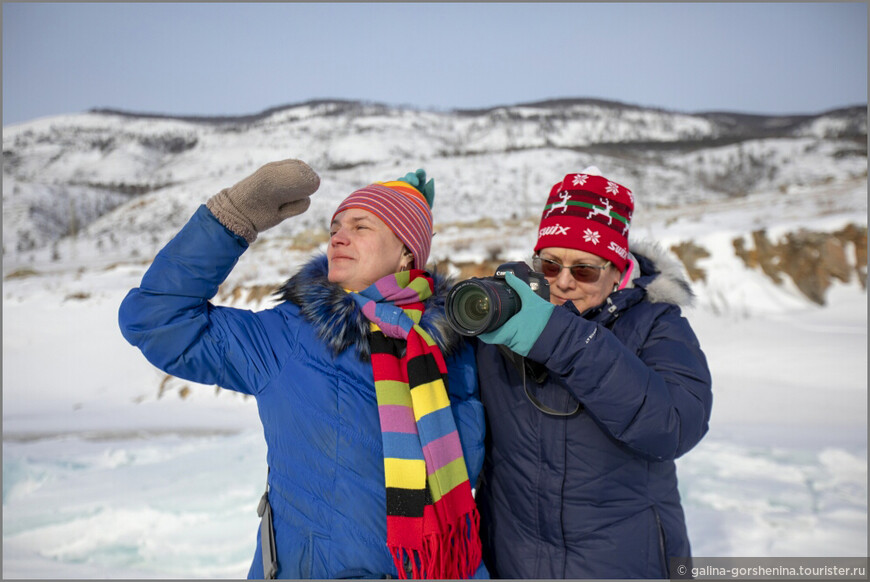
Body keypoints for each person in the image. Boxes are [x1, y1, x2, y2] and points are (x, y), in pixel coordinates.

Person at [118, 160, 488, 579]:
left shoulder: (456, 347)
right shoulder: (287, 338)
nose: (338, 238)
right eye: (334, 229)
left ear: (407, 251)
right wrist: (231, 218)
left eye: (360, 227)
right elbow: (154, 320)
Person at [472, 167, 713, 579]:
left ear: (619, 272)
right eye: (550, 266)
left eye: (583, 270)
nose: (563, 283)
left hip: (623, 563)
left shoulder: (656, 325)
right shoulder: (507, 328)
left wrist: (559, 337)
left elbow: (675, 425)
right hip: (513, 561)